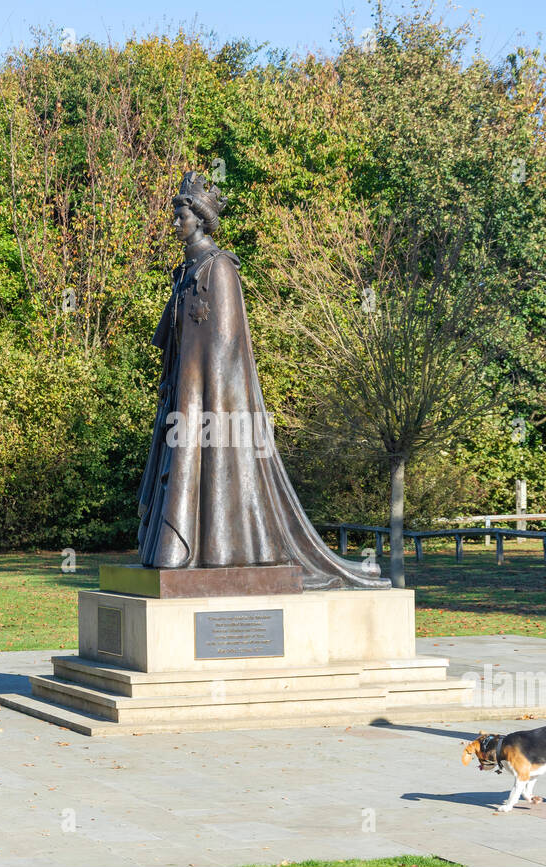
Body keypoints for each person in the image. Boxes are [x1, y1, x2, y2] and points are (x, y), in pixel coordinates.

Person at [136, 172, 386, 589]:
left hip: (212, 405)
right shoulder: (185, 273)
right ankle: (180, 548)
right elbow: (176, 342)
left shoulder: (219, 270)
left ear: (198, 218)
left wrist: (201, 400)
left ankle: (213, 550)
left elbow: (226, 351)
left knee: (210, 463)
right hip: (184, 398)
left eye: (180, 213)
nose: (175, 221)